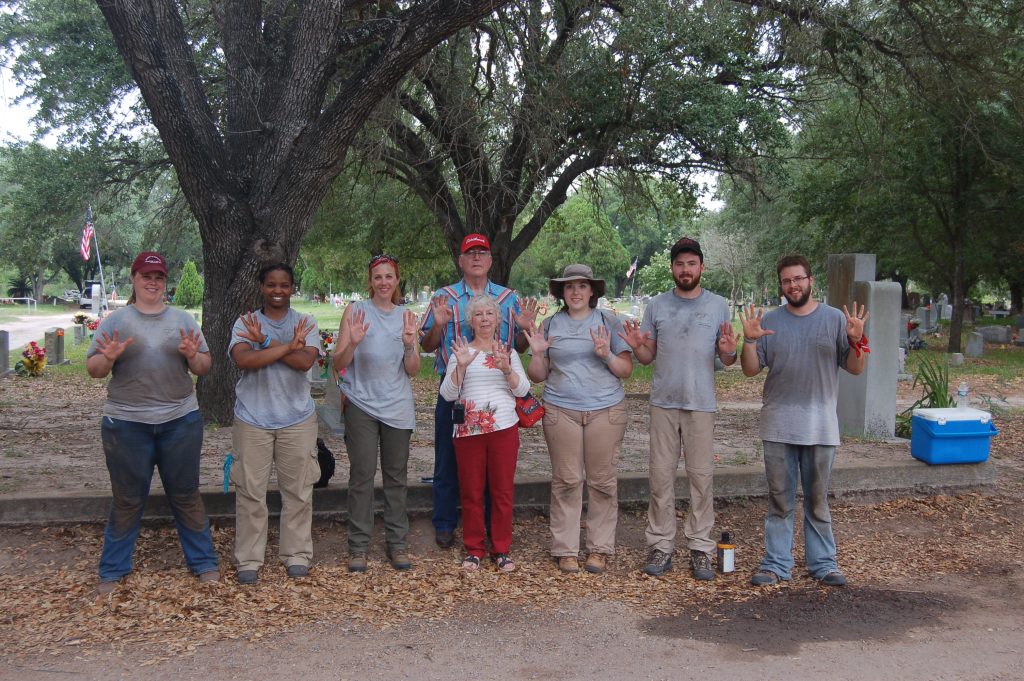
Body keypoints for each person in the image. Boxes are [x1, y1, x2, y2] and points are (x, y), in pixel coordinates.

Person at [86, 251, 220, 594]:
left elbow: (204, 367)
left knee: (186, 493)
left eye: (158, 277)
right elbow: (94, 370)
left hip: (180, 421)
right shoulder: (116, 321)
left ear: (165, 282)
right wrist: (108, 357)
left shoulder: (182, 320)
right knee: (128, 497)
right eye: (146, 276)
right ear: (134, 279)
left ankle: (203, 563)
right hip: (127, 424)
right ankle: (112, 569)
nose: (152, 282)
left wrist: (193, 355)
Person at [739, 254, 869, 587]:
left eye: (799, 278)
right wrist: (750, 340)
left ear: (811, 281)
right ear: (781, 285)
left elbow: (855, 367)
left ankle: (823, 563)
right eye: (787, 280)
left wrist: (856, 340)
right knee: (780, 501)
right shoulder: (771, 321)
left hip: (821, 426)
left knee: (817, 500)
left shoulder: (834, 320)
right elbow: (751, 369)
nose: (793, 285)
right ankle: (776, 564)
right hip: (779, 425)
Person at [619, 237, 737, 580]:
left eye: (691, 263)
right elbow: (646, 356)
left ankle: (700, 547)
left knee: (701, 478)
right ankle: (661, 545)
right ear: (672, 268)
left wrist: (729, 351)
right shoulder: (656, 305)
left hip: (701, 404)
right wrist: (636, 346)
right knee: (660, 478)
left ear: (701, 267)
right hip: (664, 403)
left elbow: (725, 358)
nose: (685, 270)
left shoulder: (717, 305)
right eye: (679, 264)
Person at [419, 233, 538, 549]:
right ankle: (445, 523)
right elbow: (427, 344)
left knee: (492, 465)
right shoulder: (444, 297)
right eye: (469, 253)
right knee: (447, 460)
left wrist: (525, 328)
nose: (476, 258)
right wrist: (439, 325)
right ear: (460, 260)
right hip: (456, 390)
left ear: (489, 259)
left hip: (497, 393)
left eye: (482, 252)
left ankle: (490, 527)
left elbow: (519, 346)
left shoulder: (508, 298)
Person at [524, 264, 633, 574]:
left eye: (582, 286)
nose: (575, 292)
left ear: (592, 291)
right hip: (561, 410)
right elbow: (538, 375)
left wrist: (606, 355)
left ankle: (599, 548)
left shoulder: (609, 321)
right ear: (562, 292)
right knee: (567, 480)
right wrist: (535, 355)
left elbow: (626, 369)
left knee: (601, 481)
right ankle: (566, 549)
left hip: (605, 410)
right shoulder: (550, 325)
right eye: (569, 286)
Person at [229, 263, 321, 584]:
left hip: (297, 418)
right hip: (252, 418)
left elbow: (304, 362)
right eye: (271, 285)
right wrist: (284, 347)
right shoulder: (246, 322)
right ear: (261, 287)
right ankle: (249, 559)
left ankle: (296, 554)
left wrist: (266, 342)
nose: (277, 291)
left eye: (284, 285)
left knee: (298, 491)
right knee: (250, 492)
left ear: (292, 288)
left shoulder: (305, 322)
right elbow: (244, 359)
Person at [332, 254, 420, 573]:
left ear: (397, 280)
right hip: (362, 405)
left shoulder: (406, 316)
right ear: (370, 281)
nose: (383, 282)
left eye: (389, 276)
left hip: (397, 407)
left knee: (396, 478)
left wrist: (410, 345)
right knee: (362, 476)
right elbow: (338, 363)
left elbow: (412, 370)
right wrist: (353, 343)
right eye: (377, 277)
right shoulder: (355, 312)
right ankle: (358, 546)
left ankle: (397, 543)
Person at [439, 295, 530, 572]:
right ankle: (475, 548)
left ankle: (501, 548)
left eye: (489, 313)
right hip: (469, 429)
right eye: (478, 314)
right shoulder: (462, 352)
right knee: (472, 491)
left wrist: (506, 370)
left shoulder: (508, 353)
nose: (484, 319)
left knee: (501, 490)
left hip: (503, 427)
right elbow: (447, 394)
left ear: (498, 319)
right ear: (471, 321)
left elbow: (523, 390)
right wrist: (461, 368)